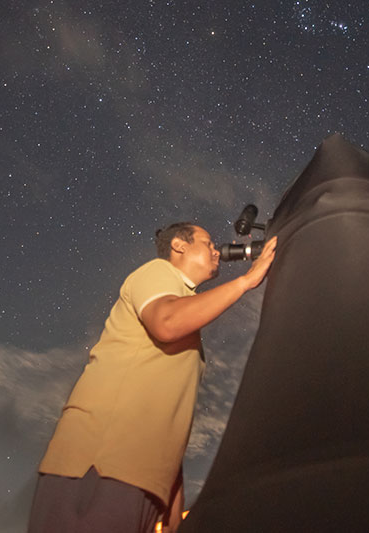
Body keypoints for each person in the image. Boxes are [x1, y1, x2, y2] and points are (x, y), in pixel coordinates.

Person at [28, 222, 277, 533]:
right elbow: (166, 322)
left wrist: (172, 498)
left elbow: (167, 414)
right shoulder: (158, 272)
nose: (217, 250)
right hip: (101, 462)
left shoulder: (186, 303)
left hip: (140, 474)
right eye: (208, 243)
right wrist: (246, 282)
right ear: (179, 246)